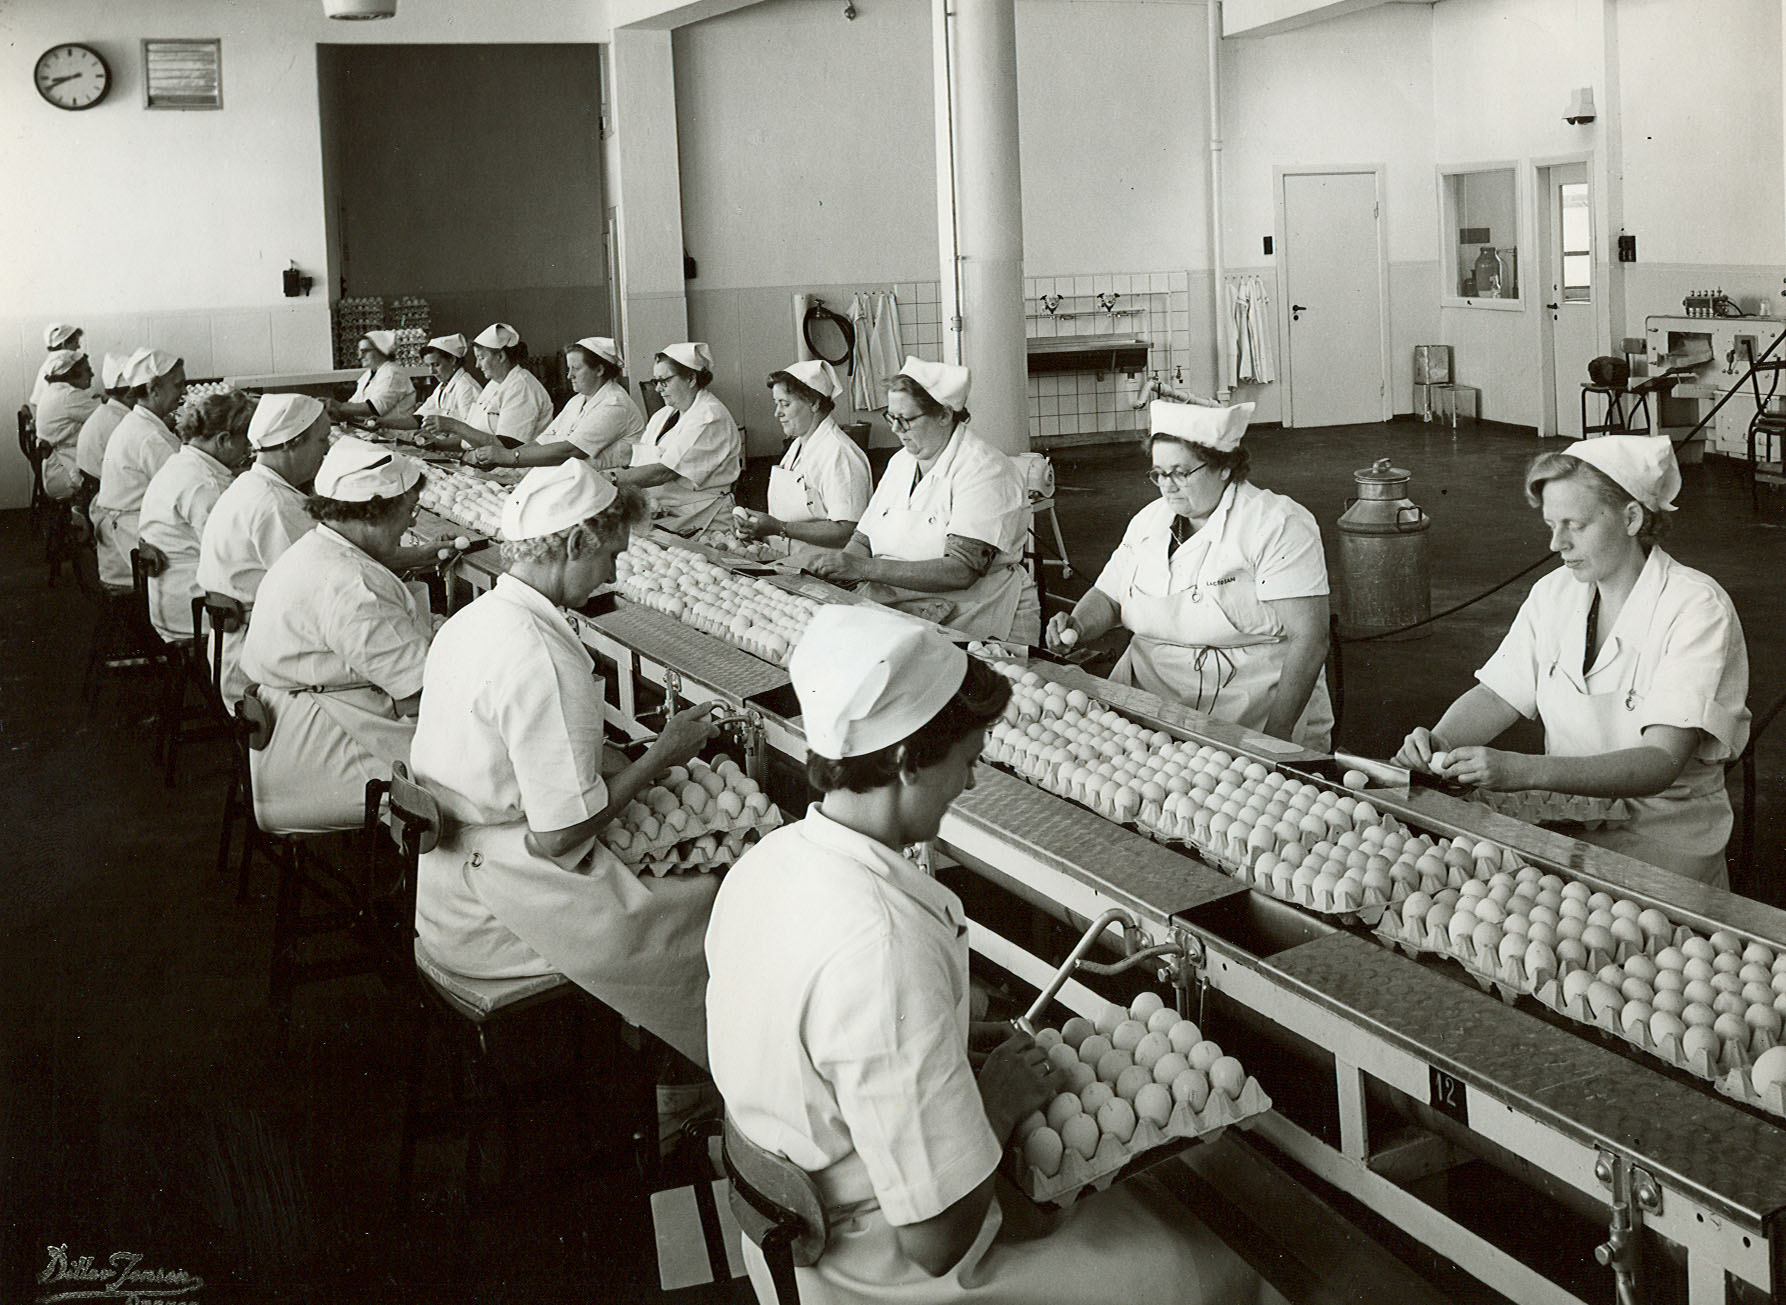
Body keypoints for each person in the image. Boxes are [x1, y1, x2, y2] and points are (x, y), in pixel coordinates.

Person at [706, 605, 1272, 1304]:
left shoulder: (766, 863)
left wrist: (949, 1044)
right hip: (880, 1276)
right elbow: (937, 1240)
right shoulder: (882, 946)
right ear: (907, 762)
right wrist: (995, 1106)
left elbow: (819, 1058)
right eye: (967, 761)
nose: (970, 783)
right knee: (1212, 1266)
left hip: (790, 1237)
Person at [412, 460, 723, 1132]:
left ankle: (668, 1066)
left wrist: (618, 761)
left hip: (446, 889)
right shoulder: (540, 655)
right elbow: (559, 837)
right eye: (610, 556)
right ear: (577, 542)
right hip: (500, 910)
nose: (611, 575)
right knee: (708, 902)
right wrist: (663, 755)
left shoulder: (476, 619)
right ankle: (680, 1085)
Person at [1396, 435, 1749, 885]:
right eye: (1550, 524)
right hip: (1565, 825)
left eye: (1574, 525)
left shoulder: (1695, 607)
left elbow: (1662, 759)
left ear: (1631, 518)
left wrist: (1522, 770)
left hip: (1662, 844)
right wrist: (1439, 742)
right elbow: (1498, 694)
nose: (1556, 543)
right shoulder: (1555, 592)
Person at [1045, 401, 1333, 750]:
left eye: (1180, 473)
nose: (1167, 486)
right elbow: (1109, 597)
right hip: (1145, 709)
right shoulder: (1148, 521)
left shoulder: (1275, 524)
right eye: (1158, 474)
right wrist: (1077, 625)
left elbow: (1310, 637)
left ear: (1224, 467)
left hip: (1247, 714)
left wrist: (1275, 738)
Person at [239, 438, 433, 835]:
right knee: (477, 780)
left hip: (291, 741)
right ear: (376, 511)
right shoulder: (353, 584)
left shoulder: (315, 549)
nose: (411, 524)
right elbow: (418, 695)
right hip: (326, 760)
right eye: (409, 511)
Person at [808, 358, 1030, 641]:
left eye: (906, 419)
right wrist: (838, 568)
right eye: (891, 417)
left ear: (944, 415)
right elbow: (864, 538)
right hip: (901, 610)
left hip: (971, 616)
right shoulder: (901, 462)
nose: (896, 429)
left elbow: (961, 570)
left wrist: (862, 568)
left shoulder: (985, 469)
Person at [197, 393, 330, 704]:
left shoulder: (250, 485)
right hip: (258, 672)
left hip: (235, 648)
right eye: (322, 440)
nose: (326, 451)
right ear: (292, 443)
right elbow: (323, 591)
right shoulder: (276, 506)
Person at [139, 389, 255, 643]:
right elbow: (234, 558)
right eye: (245, 442)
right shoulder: (206, 485)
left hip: (169, 597)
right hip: (195, 610)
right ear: (224, 440)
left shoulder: (180, 463)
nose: (248, 450)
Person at [732, 358, 872, 563]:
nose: (777, 413)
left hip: (824, 568)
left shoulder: (839, 453)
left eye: (785, 404)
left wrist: (778, 528)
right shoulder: (798, 445)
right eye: (776, 404)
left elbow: (847, 529)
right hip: (791, 561)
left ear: (813, 403)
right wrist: (757, 528)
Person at [615, 342, 743, 535]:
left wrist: (611, 479)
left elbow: (664, 472)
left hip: (704, 518)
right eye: (656, 381)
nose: (658, 389)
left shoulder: (709, 416)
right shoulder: (664, 415)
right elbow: (641, 462)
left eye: (664, 381)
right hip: (667, 513)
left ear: (691, 378)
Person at [466, 336, 643, 472]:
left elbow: (571, 450)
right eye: (568, 369)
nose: (569, 376)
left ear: (599, 370)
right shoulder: (577, 400)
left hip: (611, 487)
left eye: (576, 369)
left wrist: (510, 456)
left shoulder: (614, 404)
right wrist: (504, 461)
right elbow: (542, 442)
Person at [92, 349, 186, 590]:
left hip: (124, 537)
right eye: (178, 385)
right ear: (154, 390)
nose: (184, 391)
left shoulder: (137, 423)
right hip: (133, 550)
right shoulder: (151, 437)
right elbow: (186, 490)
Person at [422, 322, 552, 450]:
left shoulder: (521, 387)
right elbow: (471, 437)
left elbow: (508, 446)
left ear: (500, 356)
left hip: (514, 464)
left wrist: (453, 426)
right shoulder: (494, 384)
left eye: (481, 358)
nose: (477, 365)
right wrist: (437, 444)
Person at [375, 334, 484, 437]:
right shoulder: (442, 387)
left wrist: (439, 441)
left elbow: (471, 432)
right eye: (428, 366)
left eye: (436, 365)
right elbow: (419, 418)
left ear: (452, 360)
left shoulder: (466, 387)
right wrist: (383, 423)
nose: (432, 371)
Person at [33, 350, 101, 501]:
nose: (92, 374)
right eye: (87, 370)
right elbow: (104, 415)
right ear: (72, 374)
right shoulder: (69, 395)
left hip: (57, 465)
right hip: (65, 472)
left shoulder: (54, 391)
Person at [75, 353, 135, 498]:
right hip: (108, 493)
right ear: (129, 394)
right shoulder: (121, 421)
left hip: (93, 487)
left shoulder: (108, 411)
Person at [328, 330, 417, 425]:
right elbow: (353, 406)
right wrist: (335, 411)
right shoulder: (368, 375)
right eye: (359, 352)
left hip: (392, 432)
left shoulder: (393, 373)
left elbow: (374, 409)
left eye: (364, 351)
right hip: (371, 431)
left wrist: (338, 406)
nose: (360, 357)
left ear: (380, 350)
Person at [28, 323, 83, 413]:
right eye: (76, 342)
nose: (79, 346)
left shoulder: (48, 363)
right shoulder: (63, 362)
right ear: (65, 344)